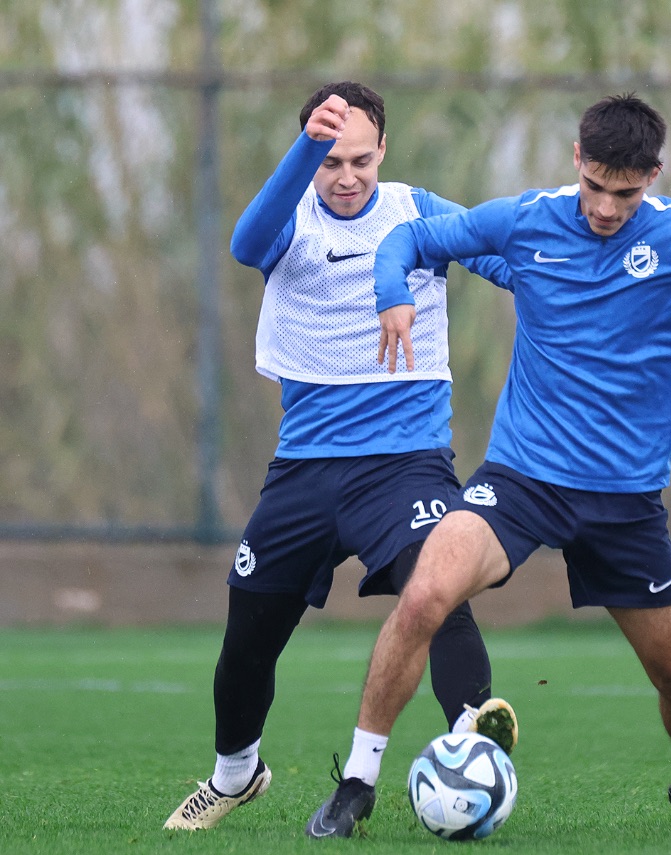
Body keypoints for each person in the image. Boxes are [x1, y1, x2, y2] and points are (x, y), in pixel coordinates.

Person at [307, 93, 671, 836]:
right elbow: (408, 239)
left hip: (624, 502)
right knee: (423, 597)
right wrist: (392, 294)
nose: (608, 207)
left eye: (627, 192)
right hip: (522, 480)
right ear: (577, 160)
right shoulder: (525, 219)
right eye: (596, 186)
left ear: (653, 177)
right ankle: (357, 783)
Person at [164, 82, 518, 835]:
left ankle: (471, 741)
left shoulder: (419, 212)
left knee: (437, 590)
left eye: (361, 159)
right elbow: (244, 246)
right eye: (330, 161)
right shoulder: (288, 217)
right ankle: (235, 775)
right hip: (304, 467)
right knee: (247, 640)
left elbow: (503, 261)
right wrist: (305, 150)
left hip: (406, 463)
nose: (347, 176)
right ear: (310, 157)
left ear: (384, 150)